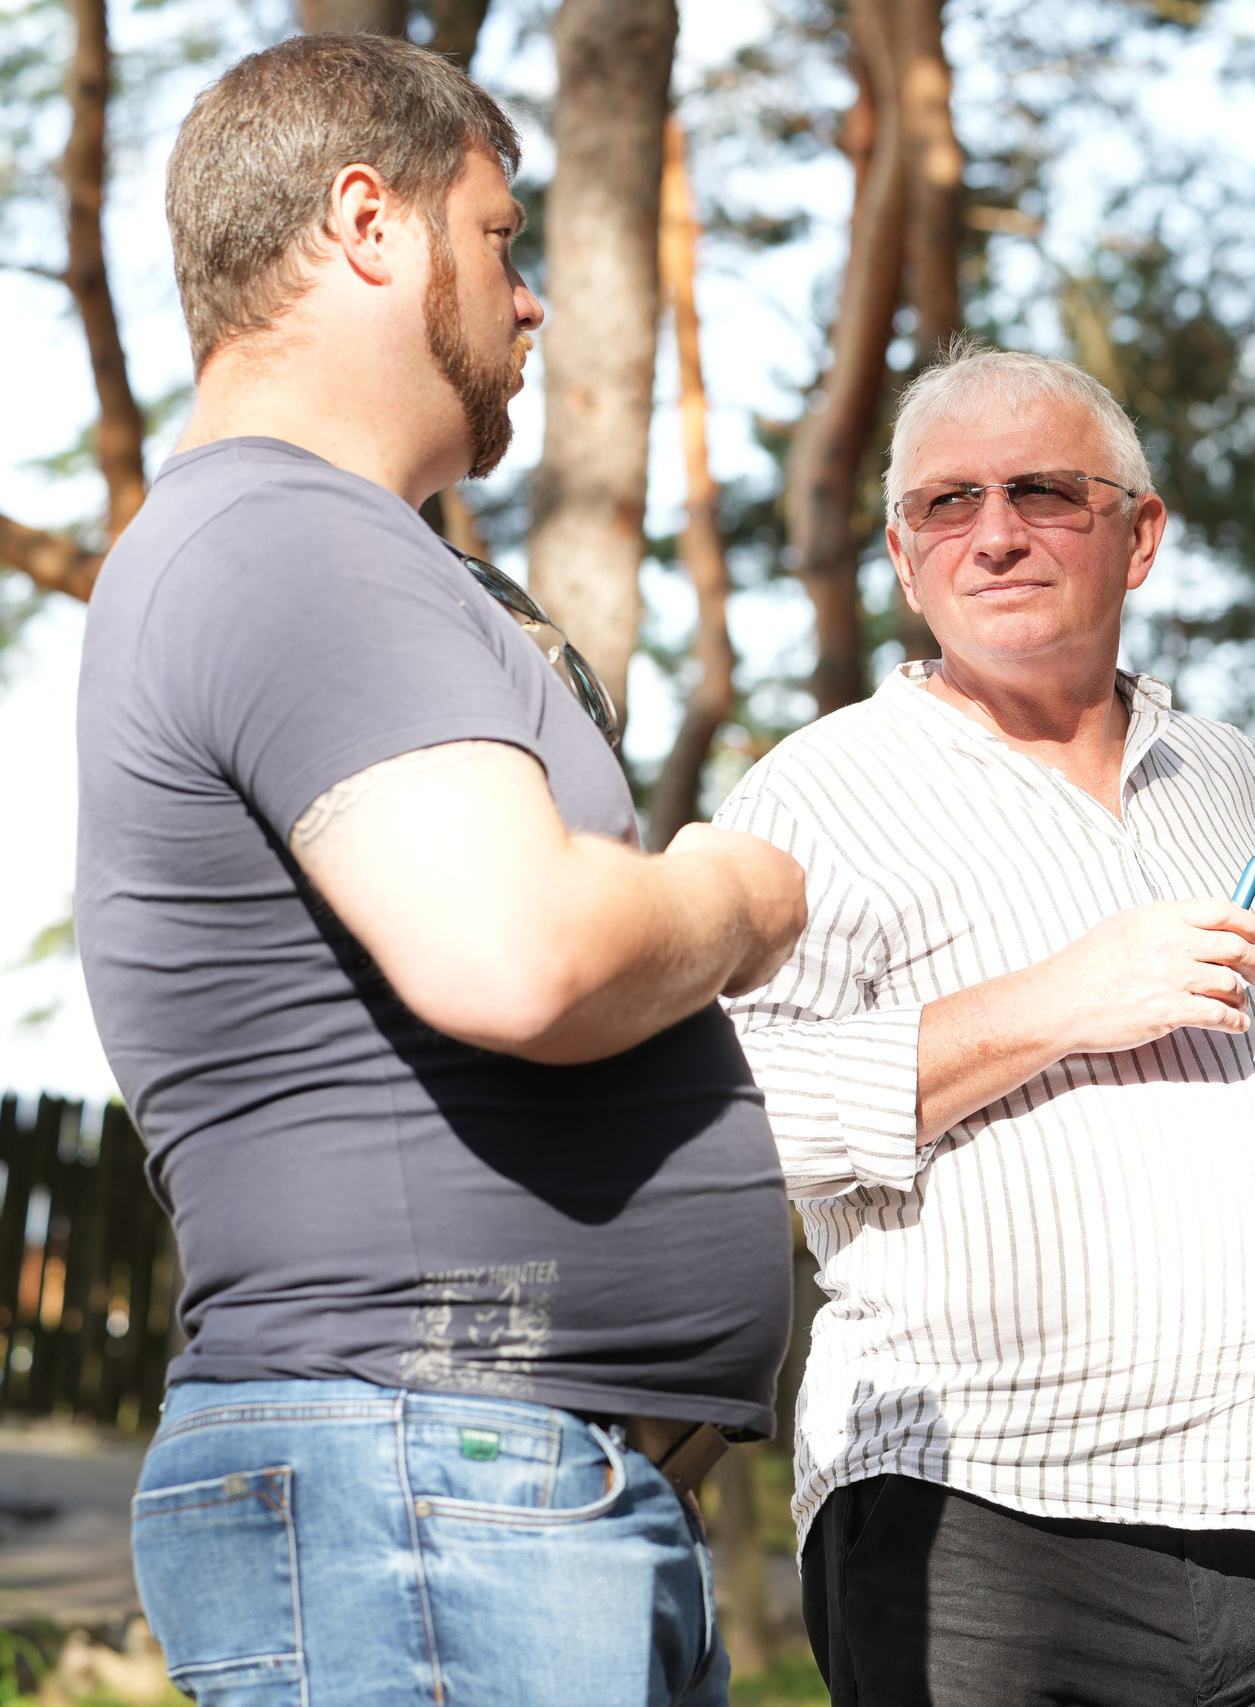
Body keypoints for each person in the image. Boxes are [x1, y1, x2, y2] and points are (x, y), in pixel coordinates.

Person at [77, 36, 808, 1705]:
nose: (530, 299)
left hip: (459, 1486)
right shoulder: (291, 533)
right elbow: (519, 953)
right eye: (500, 235)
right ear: (368, 223)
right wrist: (739, 893)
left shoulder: (311, 543)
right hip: (426, 1478)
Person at [713, 344, 1255, 1706]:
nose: (993, 534)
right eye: (946, 503)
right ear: (903, 555)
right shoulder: (821, 790)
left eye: (1041, 491)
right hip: (980, 1518)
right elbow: (729, 1111)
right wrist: (1051, 1007)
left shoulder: (1223, 771)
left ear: (1139, 535)